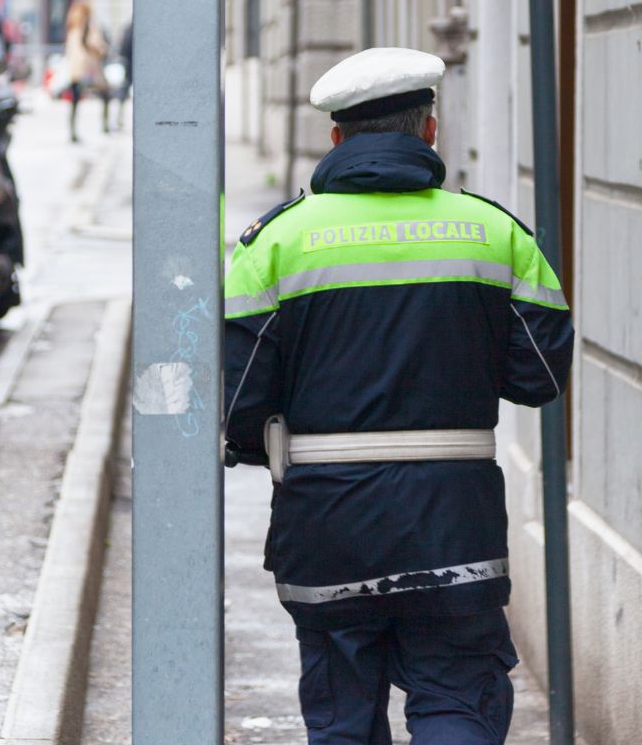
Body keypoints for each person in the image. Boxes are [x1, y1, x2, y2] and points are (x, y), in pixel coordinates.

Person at [222, 47, 574, 744]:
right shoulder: (494, 232)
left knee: (343, 717)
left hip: (326, 523)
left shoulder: (275, 243)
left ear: (335, 138)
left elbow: (238, 407)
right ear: (430, 131)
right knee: (455, 699)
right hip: (455, 518)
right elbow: (539, 376)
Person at [62, 0, 109, 142]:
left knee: (75, 100)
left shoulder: (72, 23)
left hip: (75, 67)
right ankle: (105, 125)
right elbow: (91, 43)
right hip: (88, 66)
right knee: (105, 93)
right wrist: (102, 49)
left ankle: (72, 132)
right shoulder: (87, 24)